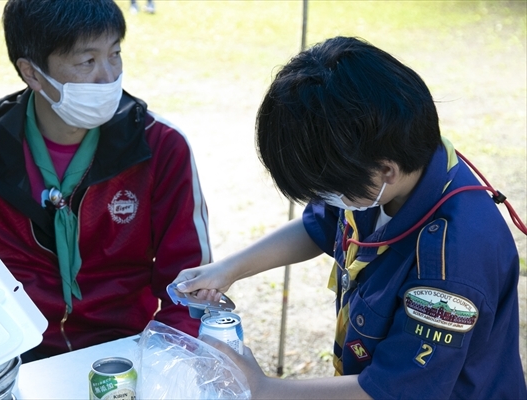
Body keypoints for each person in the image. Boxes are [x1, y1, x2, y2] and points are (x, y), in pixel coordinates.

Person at [173, 36, 527, 399]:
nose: (325, 198)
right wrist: (229, 270)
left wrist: (264, 388)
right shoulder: (386, 166)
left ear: (385, 170)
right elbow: (320, 226)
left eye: (328, 189)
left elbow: (391, 391)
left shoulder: (452, 263)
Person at [0, 0, 211, 361]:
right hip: (14, 353)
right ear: (31, 73)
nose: (108, 77)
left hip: (127, 349)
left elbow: (189, 287)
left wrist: (164, 363)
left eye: (115, 55)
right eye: (86, 62)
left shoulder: (159, 146)